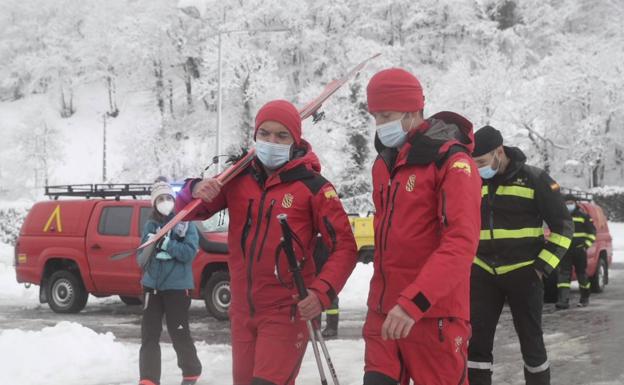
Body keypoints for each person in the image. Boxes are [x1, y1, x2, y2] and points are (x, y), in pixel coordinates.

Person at [175, 99, 357, 385]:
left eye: (281, 135)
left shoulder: (314, 187)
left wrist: (321, 293)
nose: (272, 141)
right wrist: (193, 188)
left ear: (295, 140)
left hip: (287, 311)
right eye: (265, 134)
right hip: (243, 310)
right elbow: (190, 209)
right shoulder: (238, 179)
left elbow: (345, 247)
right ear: (255, 136)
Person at [363, 68, 482, 385]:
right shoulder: (385, 162)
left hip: (434, 317)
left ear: (414, 110)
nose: (380, 125)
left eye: (385, 115)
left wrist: (413, 302)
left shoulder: (452, 162)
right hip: (383, 315)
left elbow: (461, 243)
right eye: (375, 116)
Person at [468, 126, 574, 385]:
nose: (477, 169)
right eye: (473, 164)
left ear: (499, 152)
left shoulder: (534, 178)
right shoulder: (472, 181)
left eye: (481, 162)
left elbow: (564, 228)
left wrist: (540, 268)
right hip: (482, 273)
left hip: (524, 274)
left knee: (531, 343)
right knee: (477, 345)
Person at [139, 180, 202, 385]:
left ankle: (190, 372)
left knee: (179, 332)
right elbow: (140, 258)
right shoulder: (150, 225)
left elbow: (189, 253)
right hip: (152, 287)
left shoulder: (185, 222)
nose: (165, 202)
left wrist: (169, 244)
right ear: (154, 203)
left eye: (168, 198)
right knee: (149, 334)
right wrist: (150, 248)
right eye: (160, 199)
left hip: (177, 287)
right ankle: (148, 378)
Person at [556, 194, 596, 309]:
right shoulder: (561, 217)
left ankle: (584, 298)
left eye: (571, 203)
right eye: (567, 203)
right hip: (565, 251)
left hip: (579, 250)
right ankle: (563, 301)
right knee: (563, 276)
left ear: (575, 203)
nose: (569, 205)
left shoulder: (583, 216)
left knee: (582, 275)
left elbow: (592, 232)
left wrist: (585, 245)